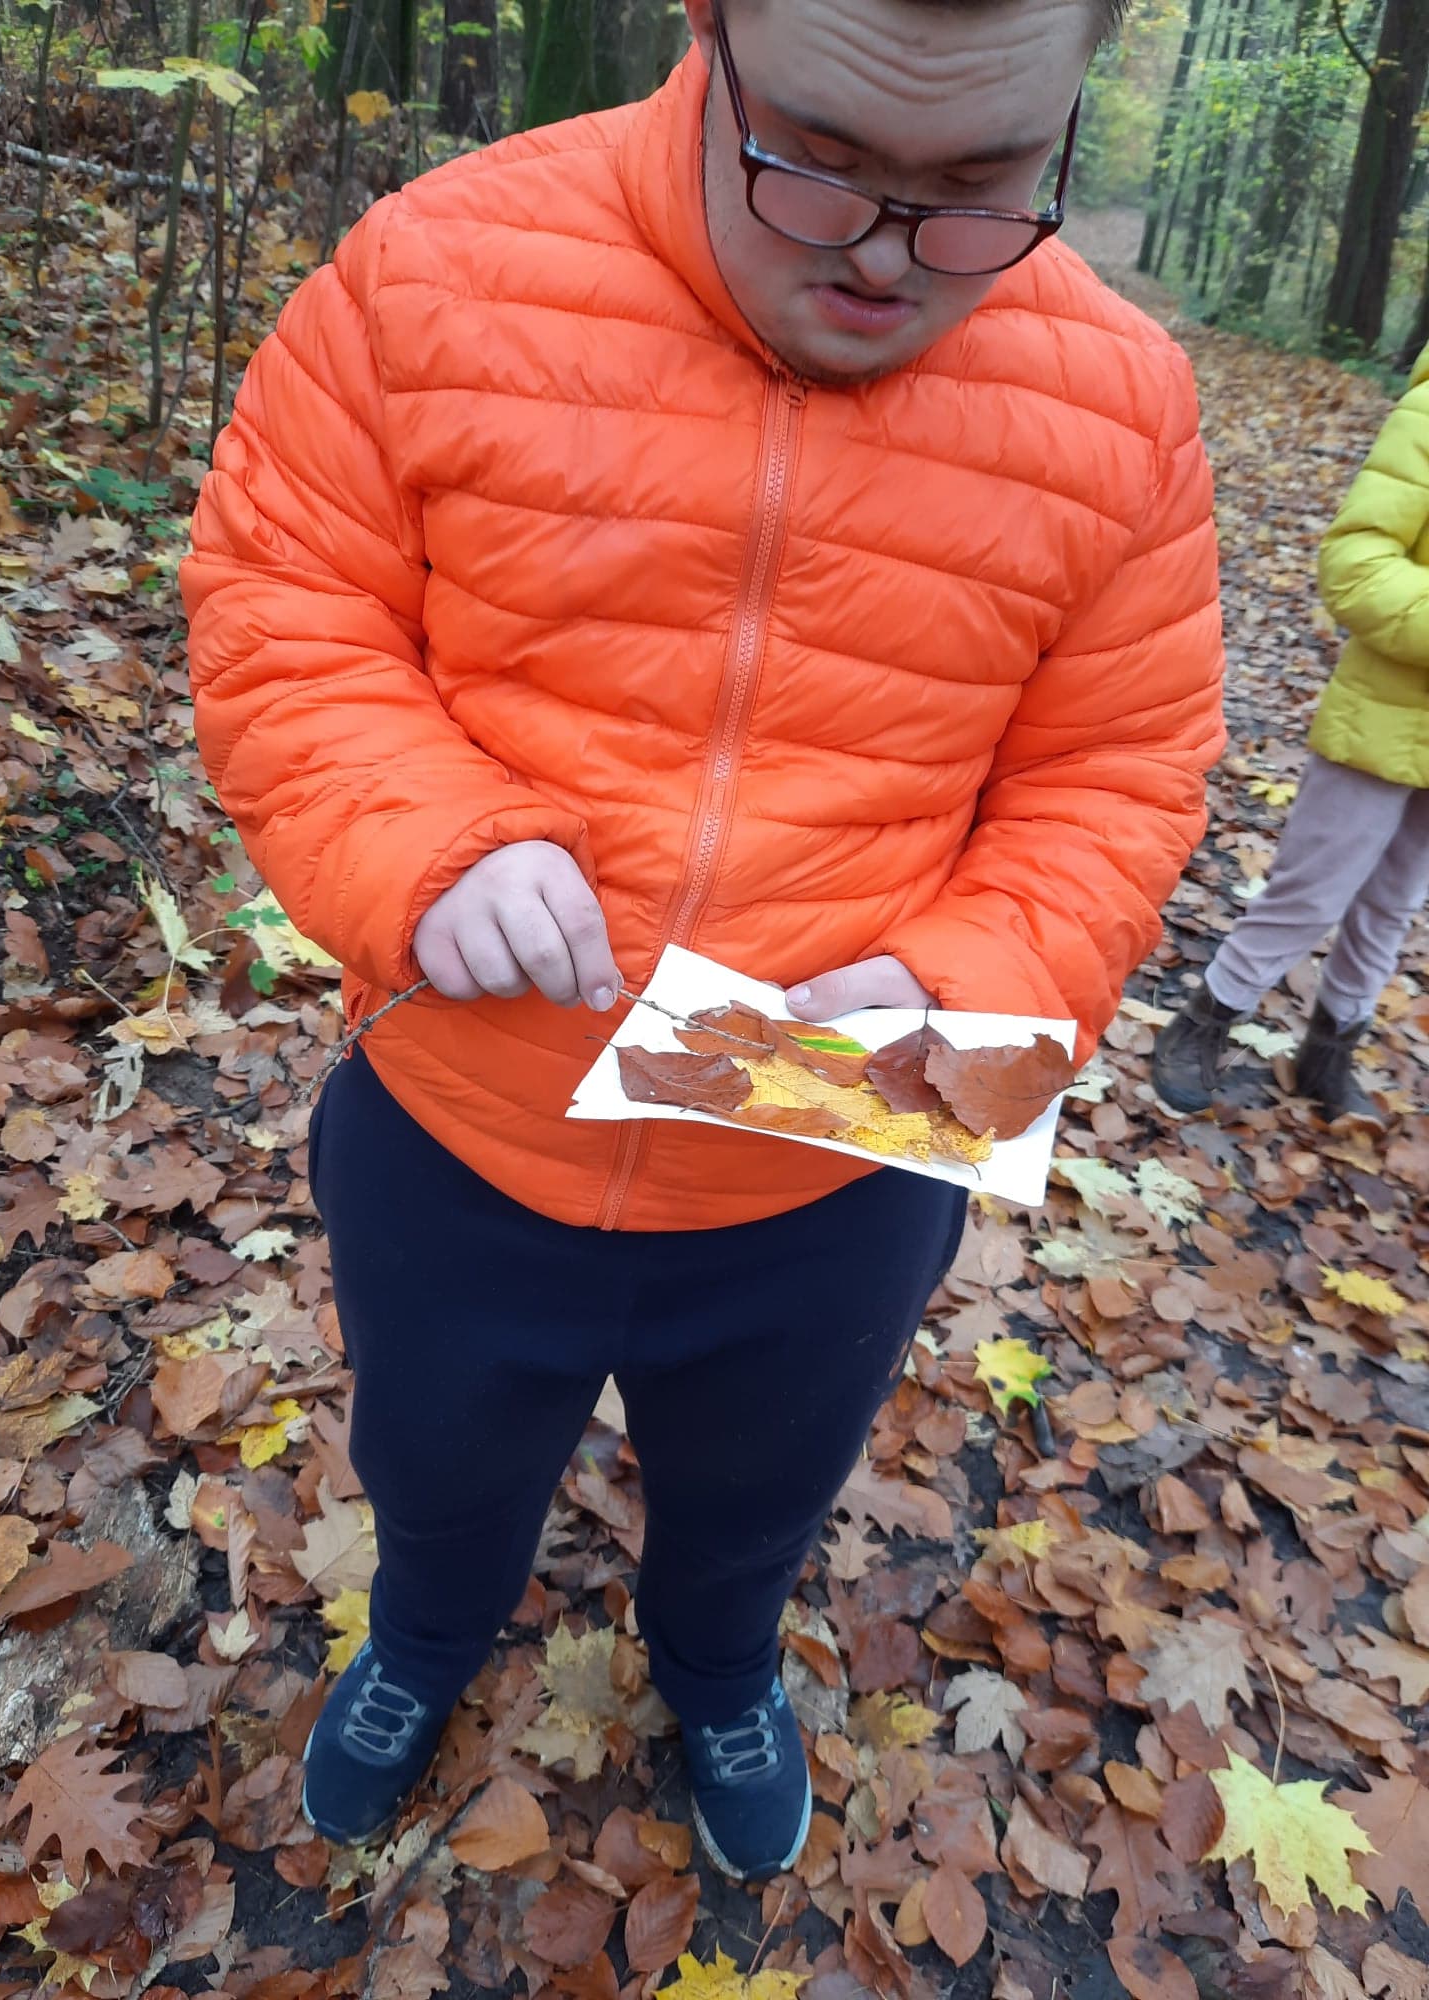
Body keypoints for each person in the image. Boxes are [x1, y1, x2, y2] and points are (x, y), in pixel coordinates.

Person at [181, 0, 1225, 1878]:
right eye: (816, 161)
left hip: (833, 1149)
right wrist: (423, 834)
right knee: (435, 1466)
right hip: (460, 1121)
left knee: (760, 1489)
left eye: (979, 183)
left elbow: (1120, 769)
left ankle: (721, 1665)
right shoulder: (437, 267)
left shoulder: (1120, 403)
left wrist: (974, 983)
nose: (886, 258)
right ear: (709, 30)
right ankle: (424, 1639)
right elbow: (286, 598)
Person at [1152, 341, 1429, 1123]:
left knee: (1394, 903)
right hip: (1381, 715)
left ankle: (1330, 1049)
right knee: (1311, 892)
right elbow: (1355, 565)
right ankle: (1207, 1016)